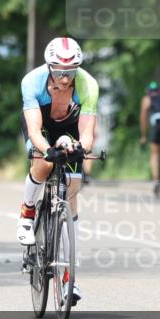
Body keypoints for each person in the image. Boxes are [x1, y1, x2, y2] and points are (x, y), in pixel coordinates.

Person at [17, 37, 99, 305]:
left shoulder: (87, 85)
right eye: (61, 72)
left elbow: (87, 133)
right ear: (50, 67)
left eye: (71, 72)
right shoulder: (32, 81)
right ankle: (28, 209)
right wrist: (46, 149)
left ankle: (68, 279)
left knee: (73, 187)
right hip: (42, 128)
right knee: (44, 162)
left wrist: (80, 148)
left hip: (70, 129)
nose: (66, 79)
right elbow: (33, 130)